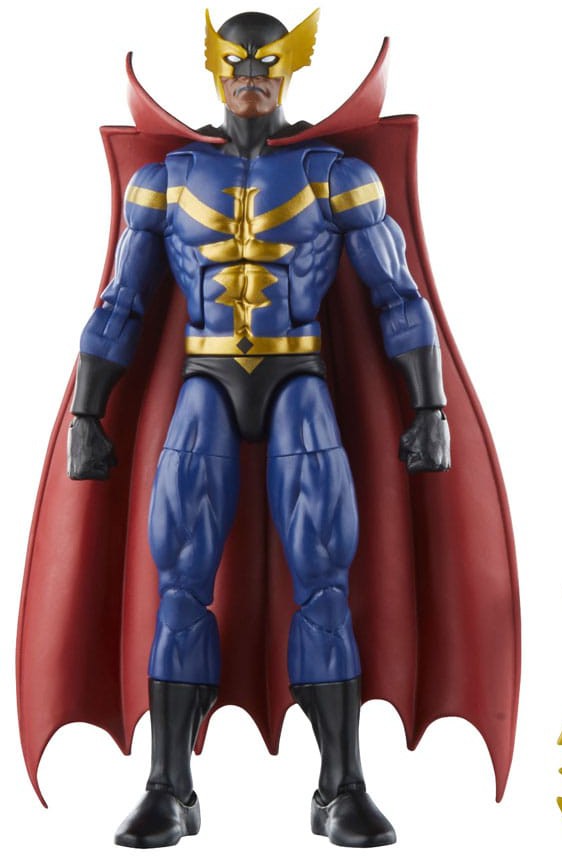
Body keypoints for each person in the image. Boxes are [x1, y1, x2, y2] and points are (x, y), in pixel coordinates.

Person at [69, 10, 448, 848]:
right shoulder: (167, 182)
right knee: (179, 578)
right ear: (215, 68)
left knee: (325, 577)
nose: (249, 78)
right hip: (204, 379)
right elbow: (122, 301)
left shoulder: (334, 177)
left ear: (288, 69)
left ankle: (341, 786)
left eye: (264, 64)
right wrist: (86, 410)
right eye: (235, 64)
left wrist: (429, 407)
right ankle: (169, 787)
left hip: (297, 378)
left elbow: (397, 295)